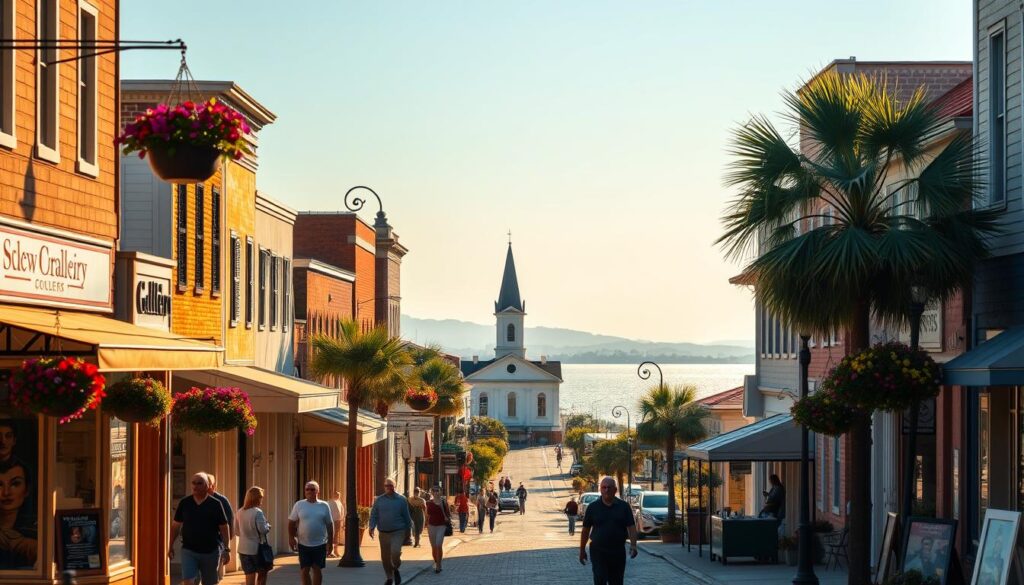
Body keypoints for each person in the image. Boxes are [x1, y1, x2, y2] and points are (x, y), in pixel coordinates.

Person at [168, 472, 230, 585]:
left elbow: (224, 528)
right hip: (189, 550)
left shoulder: (216, 504)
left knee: (209, 582)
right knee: (188, 581)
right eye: (193, 483)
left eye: (199, 483)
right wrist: (170, 545)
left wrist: (226, 549)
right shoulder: (185, 503)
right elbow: (175, 526)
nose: (195, 486)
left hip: (210, 551)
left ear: (207, 486)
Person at [580, 476, 638, 585]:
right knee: (600, 578)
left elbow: (632, 527)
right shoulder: (592, 507)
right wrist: (582, 550)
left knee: (616, 581)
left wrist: (634, 545)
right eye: (604, 487)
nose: (606, 490)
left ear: (615, 490)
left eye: (609, 487)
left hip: (617, 551)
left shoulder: (624, 507)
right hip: (598, 551)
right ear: (600, 489)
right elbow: (585, 530)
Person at [288, 481, 334, 585]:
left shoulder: (324, 505)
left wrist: (330, 543)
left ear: (318, 491)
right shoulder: (299, 504)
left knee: (317, 569)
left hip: (320, 543)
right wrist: (291, 538)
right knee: (305, 570)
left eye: (312, 489)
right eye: (307, 489)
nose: (309, 491)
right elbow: (291, 522)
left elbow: (330, 525)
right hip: (303, 544)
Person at [368, 478, 412, 585]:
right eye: (386, 486)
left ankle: (395, 568)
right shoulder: (379, 500)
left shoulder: (401, 500)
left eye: (390, 485)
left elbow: (407, 517)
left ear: (394, 486)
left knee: (395, 553)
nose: (388, 487)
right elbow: (374, 514)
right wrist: (371, 527)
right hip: (383, 532)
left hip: (398, 531)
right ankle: (389, 578)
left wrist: (409, 532)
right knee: (385, 557)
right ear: (384, 487)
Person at [234, 486, 271, 585]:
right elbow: (263, 530)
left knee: (249, 575)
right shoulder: (257, 512)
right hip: (257, 548)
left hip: (243, 549)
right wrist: (268, 526)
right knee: (262, 574)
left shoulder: (239, 511)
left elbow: (237, 531)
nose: (262, 499)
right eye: (261, 497)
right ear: (256, 498)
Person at [207, 474, 234, 582]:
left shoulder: (221, 500)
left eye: (207, 484)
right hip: (199, 543)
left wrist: (226, 544)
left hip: (217, 542)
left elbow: (229, 520)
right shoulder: (196, 499)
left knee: (214, 574)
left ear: (213, 486)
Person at [425, 487, 452, 573]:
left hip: (441, 525)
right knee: (433, 547)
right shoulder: (429, 503)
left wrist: (443, 512)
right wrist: (425, 525)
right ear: (432, 492)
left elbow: (448, 514)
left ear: (440, 492)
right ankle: (436, 561)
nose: (436, 492)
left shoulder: (443, 502)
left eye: (438, 490)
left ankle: (438, 565)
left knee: (438, 545)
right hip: (431, 526)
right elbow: (426, 515)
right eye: (434, 491)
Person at [326, 491, 344, 557]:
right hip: (331, 521)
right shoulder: (328, 502)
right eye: (336, 494)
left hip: (338, 521)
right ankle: (330, 551)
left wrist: (342, 521)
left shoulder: (339, 502)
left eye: (339, 495)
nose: (338, 496)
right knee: (330, 536)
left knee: (336, 536)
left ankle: (336, 551)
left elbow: (342, 512)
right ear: (333, 495)